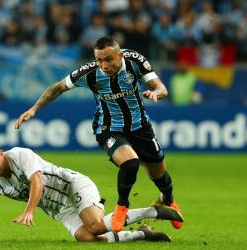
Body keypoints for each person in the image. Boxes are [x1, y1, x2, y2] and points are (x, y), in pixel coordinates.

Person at [15, 36, 183, 233]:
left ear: (119, 55)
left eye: (108, 60)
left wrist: (156, 93)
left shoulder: (135, 60)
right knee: (130, 163)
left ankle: (169, 200)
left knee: (159, 173)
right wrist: (34, 109)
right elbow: (58, 87)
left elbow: (161, 87)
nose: (103, 65)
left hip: (140, 126)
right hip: (108, 127)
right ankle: (122, 206)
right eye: (99, 60)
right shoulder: (90, 73)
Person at [0, 140, 184, 243]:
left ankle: (153, 211)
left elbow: (37, 181)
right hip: (59, 209)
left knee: (97, 226)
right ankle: (141, 234)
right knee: (87, 238)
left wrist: (29, 211)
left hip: (72, 185)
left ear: (0, 153)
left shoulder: (19, 155)